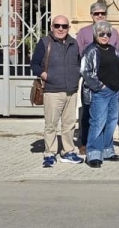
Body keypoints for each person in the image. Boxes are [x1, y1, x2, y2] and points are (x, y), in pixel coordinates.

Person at [31, 14, 82, 167]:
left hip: (71, 91)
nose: (60, 29)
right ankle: (50, 153)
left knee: (69, 124)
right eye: (57, 26)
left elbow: (78, 62)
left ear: (68, 28)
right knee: (51, 124)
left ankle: (68, 152)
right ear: (51, 27)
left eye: (64, 26)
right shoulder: (44, 42)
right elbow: (34, 64)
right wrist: (44, 75)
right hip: (52, 90)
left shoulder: (74, 43)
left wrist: (76, 75)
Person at [80, 21, 119, 168]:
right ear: (95, 34)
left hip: (114, 91)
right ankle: (93, 154)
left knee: (111, 121)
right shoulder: (91, 50)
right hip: (100, 92)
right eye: (102, 34)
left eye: (108, 34)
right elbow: (85, 71)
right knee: (98, 122)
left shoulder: (112, 49)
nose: (105, 36)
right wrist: (100, 86)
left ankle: (107, 151)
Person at [75, 2, 119, 155]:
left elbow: (117, 55)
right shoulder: (83, 32)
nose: (100, 16)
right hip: (94, 84)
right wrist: (97, 85)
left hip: (111, 85)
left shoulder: (113, 31)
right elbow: (81, 57)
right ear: (91, 15)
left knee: (109, 119)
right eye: (96, 13)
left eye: (103, 13)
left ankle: (106, 148)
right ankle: (86, 144)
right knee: (90, 115)